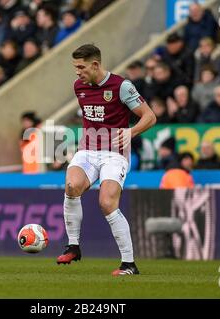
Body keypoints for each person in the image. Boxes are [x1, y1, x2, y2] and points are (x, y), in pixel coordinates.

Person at [55, 44, 156, 275]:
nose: (77, 72)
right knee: (71, 186)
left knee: (107, 203)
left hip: (114, 153)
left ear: (95, 65)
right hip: (88, 150)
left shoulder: (121, 86)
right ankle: (73, 246)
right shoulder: (78, 86)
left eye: (81, 67)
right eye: (75, 67)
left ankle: (129, 264)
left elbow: (150, 116)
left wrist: (130, 132)